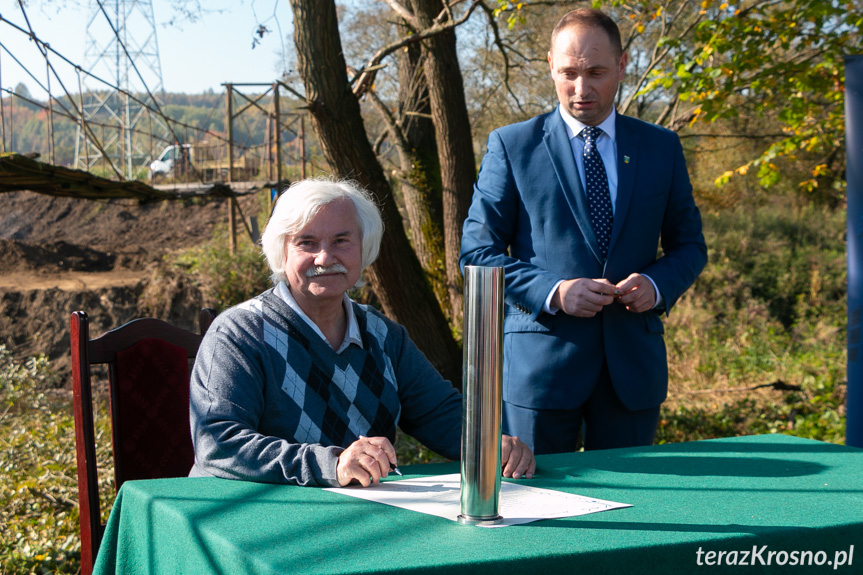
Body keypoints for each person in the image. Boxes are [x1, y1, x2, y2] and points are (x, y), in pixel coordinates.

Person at [459, 8, 707, 454]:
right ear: (550, 65)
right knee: (533, 511)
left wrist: (656, 284)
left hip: (632, 370)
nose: (581, 88)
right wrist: (554, 291)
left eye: (596, 72)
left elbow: (689, 246)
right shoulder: (512, 145)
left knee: (636, 504)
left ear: (623, 65)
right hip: (540, 370)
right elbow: (477, 253)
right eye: (569, 72)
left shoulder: (661, 148)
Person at [190, 178, 535, 487]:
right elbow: (219, 443)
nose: (325, 257)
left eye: (342, 240)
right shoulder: (239, 334)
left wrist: (491, 444)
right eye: (306, 243)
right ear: (281, 251)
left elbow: (440, 415)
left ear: (364, 247)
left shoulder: (384, 334)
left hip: (361, 515)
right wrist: (333, 464)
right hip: (249, 518)